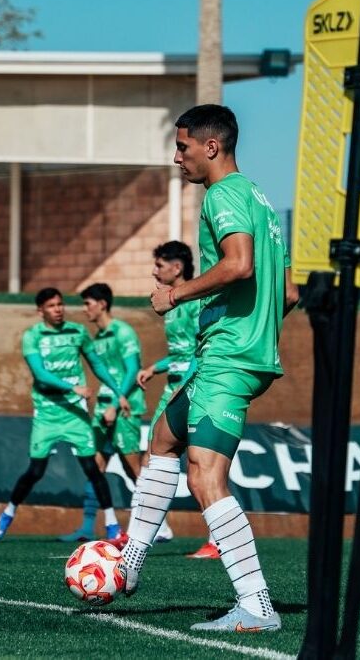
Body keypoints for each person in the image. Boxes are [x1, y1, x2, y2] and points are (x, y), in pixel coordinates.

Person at [118, 104, 299, 633]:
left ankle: (257, 607)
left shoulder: (224, 195)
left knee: (206, 476)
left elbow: (239, 265)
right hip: (230, 353)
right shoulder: (262, 200)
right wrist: (254, 331)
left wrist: (175, 295)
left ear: (211, 147)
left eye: (182, 147)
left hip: (229, 358)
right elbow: (286, 292)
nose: (177, 158)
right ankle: (128, 566)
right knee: (162, 442)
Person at [0, 287, 131, 542]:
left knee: (92, 468)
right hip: (47, 413)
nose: (58, 309)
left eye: (60, 304)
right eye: (52, 306)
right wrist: (72, 387)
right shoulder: (32, 336)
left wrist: (118, 391)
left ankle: (111, 524)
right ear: (40, 310)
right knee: (36, 471)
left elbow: (96, 364)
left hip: (75, 414)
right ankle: (8, 512)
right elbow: (40, 374)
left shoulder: (78, 332)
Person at [60, 283, 173, 546]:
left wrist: (115, 403)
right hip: (104, 409)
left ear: (102, 303)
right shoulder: (97, 338)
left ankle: (162, 525)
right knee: (95, 466)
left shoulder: (123, 332)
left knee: (133, 468)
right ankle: (87, 527)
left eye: (88, 303)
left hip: (125, 409)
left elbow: (133, 368)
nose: (84, 308)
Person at [135, 242, 212, 557]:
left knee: (203, 469)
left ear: (177, 268)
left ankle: (216, 540)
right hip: (173, 388)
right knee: (150, 457)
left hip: (195, 387)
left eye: (159, 265)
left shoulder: (194, 301)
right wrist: (156, 367)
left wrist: (189, 382)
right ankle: (143, 536)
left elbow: (201, 349)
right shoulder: (169, 305)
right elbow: (180, 352)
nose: (155, 271)